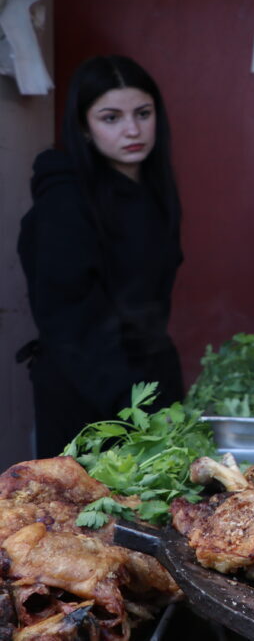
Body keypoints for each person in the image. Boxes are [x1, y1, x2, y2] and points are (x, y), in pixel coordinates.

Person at [18, 55, 185, 458]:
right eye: (111, 118)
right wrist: (134, 408)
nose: (133, 130)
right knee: (80, 516)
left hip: (146, 387)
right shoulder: (65, 200)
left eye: (143, 113)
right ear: (84, 127)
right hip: (86, 394)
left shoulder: (153, 190)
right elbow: (70, 322)